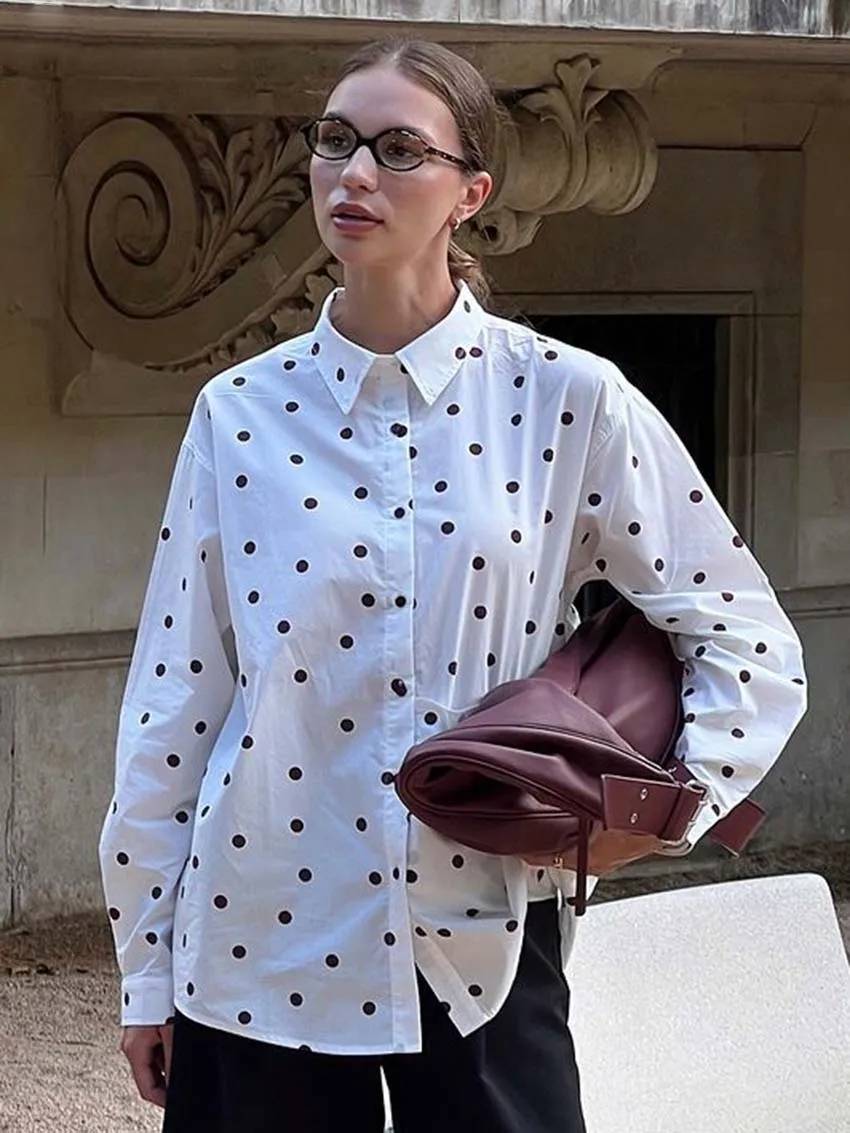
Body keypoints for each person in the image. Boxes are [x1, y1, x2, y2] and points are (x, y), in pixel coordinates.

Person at [98, 36, 808, 1133]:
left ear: (471, 192)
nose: (354, 172)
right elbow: (177, 698)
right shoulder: (237, 414)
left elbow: (743, 635)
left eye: (397, 149)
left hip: (487, 929)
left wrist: (665, 810)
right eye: (335, 141)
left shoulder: (570, 399)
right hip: (258, 937)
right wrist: (146, 967)